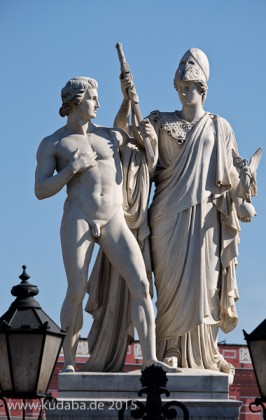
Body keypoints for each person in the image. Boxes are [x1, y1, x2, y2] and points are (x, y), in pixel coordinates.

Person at [115, 48, 259, 373]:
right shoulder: (159, 121)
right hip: (166, 214)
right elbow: (126, 143)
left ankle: (206, 352)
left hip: (207, 218)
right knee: (168, 288)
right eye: (180, 83)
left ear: (204, 88)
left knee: (206, 286)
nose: (184, 89)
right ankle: (172, 349)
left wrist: (244, 186)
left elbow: (232, 176)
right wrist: (128, 104)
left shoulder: (221, 127)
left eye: (191, 84)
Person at [34, 76, 179, 373]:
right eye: (92, 98)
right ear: (75, 102)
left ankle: (151, 360)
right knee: (76, 290)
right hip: (79, 217)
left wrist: (128, 101)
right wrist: (72, 169)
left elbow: (134, 138)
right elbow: (40, 190)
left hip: (113, 218)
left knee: (140, 284)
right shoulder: (55, 142)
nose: (98, 102)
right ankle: (71, 362)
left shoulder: (109, 136)